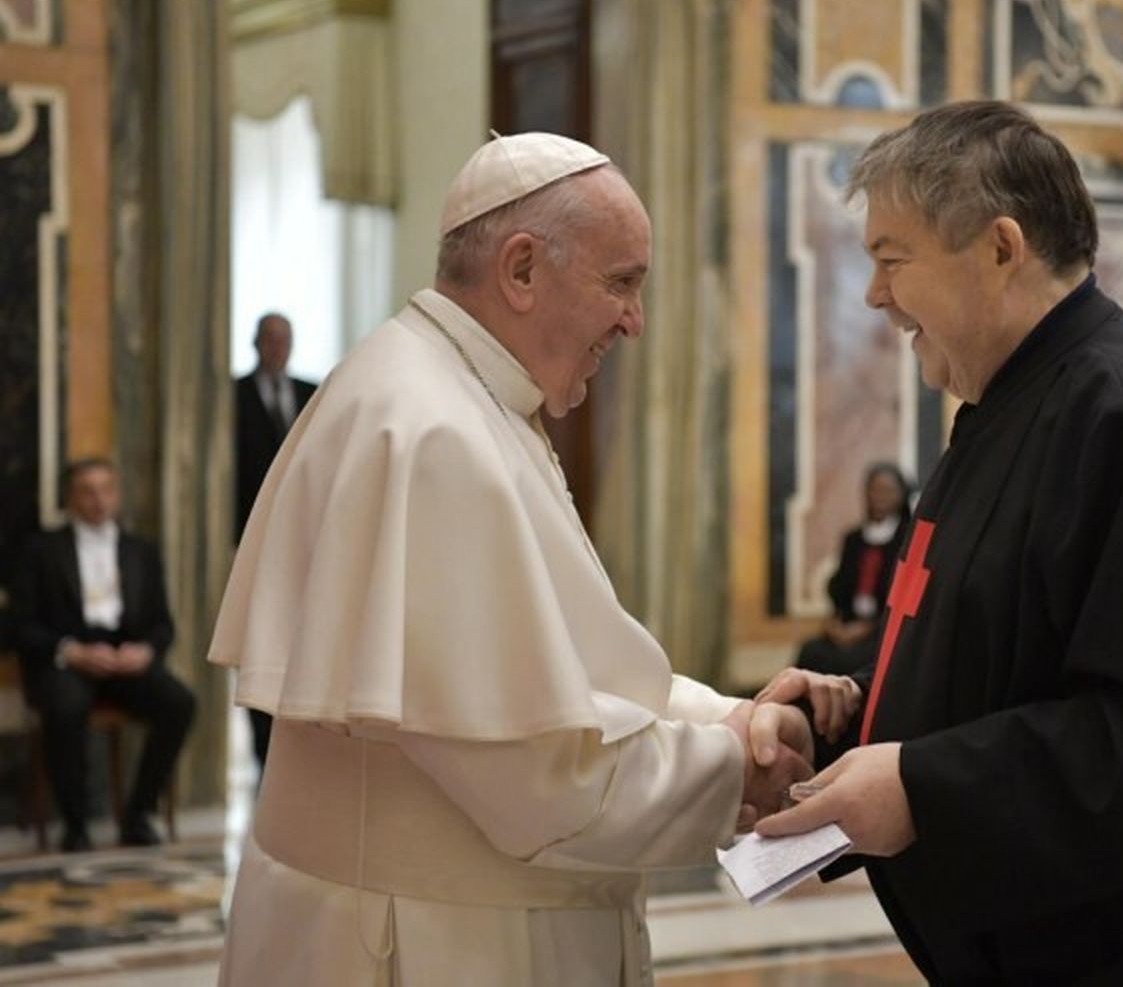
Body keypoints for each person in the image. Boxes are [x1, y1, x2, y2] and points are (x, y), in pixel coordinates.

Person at [209, 133, 825, 985]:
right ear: (523, 269)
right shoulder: (432, 433)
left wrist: (731, 718)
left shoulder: (449, 396)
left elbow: (566, 664)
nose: (635, 321)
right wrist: (741, 772)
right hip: (433, 946)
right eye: (622, 283)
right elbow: (544, 784)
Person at [754, 101, 1123, 984]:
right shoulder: (1006, 407)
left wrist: (922, 789)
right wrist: (851, 715)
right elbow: (1012, 661)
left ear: (1000, 248)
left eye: (891, 259)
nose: (874, 295)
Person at [7, 459, 196, 851]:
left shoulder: (140, 550)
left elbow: (163, 624)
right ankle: (76, 825)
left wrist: (145, 651)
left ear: (117, 493)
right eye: (87, 491)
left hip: (124, 657)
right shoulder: (41, 549)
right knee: (65, 706)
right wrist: (69, 651)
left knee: (179, 702)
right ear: (70, 498)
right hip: (67, 657)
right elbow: (18, 625)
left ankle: (138, 814)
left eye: (106, 489)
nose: (98, 500)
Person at [234, 312, 317, 769]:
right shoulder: (234, 396)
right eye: (269, 340)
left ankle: (298, 751)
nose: (277, 348)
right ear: (255, 343)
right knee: (256, 647)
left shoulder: (311, 393)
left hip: (305, 542)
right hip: (251, 539)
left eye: (284, 340)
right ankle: (261, 751)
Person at [797, 463, 912, 676]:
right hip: (849, 623)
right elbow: (840, 588)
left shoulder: (908, 539)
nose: (879, 496)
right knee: (811, 652)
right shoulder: (853, 539)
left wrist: (869, 628)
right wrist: (834, 624)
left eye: (887, 490)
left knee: (855, 662)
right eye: (874, 490)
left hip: (885, 630)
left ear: (901, 494)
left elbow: (904, 597)